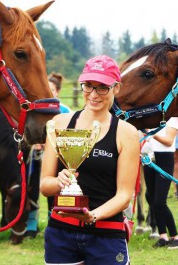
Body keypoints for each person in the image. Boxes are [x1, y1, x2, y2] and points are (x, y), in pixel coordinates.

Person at [40, 55, 140, 264]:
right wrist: (60, 181)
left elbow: (124, 194)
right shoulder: (59, 123)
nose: (94, 94)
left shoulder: (126, 133)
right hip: (61, 233)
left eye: (102, 87)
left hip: (106, 234)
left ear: (116, 88)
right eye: (88, 86)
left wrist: (92, 216)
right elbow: (44, 185)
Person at [142, 117, 178, 249]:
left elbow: (168, 141)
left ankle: (175, 237)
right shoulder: (153, 120)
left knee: (160, 201)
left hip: (164, 159)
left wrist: (152, 134)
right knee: (151, 197)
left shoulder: (172, 121)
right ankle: (163, 236)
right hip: (149, 158)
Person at [46, 73, 72, 218]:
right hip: (41, 153)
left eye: (53, 90)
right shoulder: (40, 109)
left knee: (60, 186)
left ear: (58, 91)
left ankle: (56, 215)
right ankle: (32, 221)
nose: (50, 93)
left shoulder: (66, 111)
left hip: (61, 156)